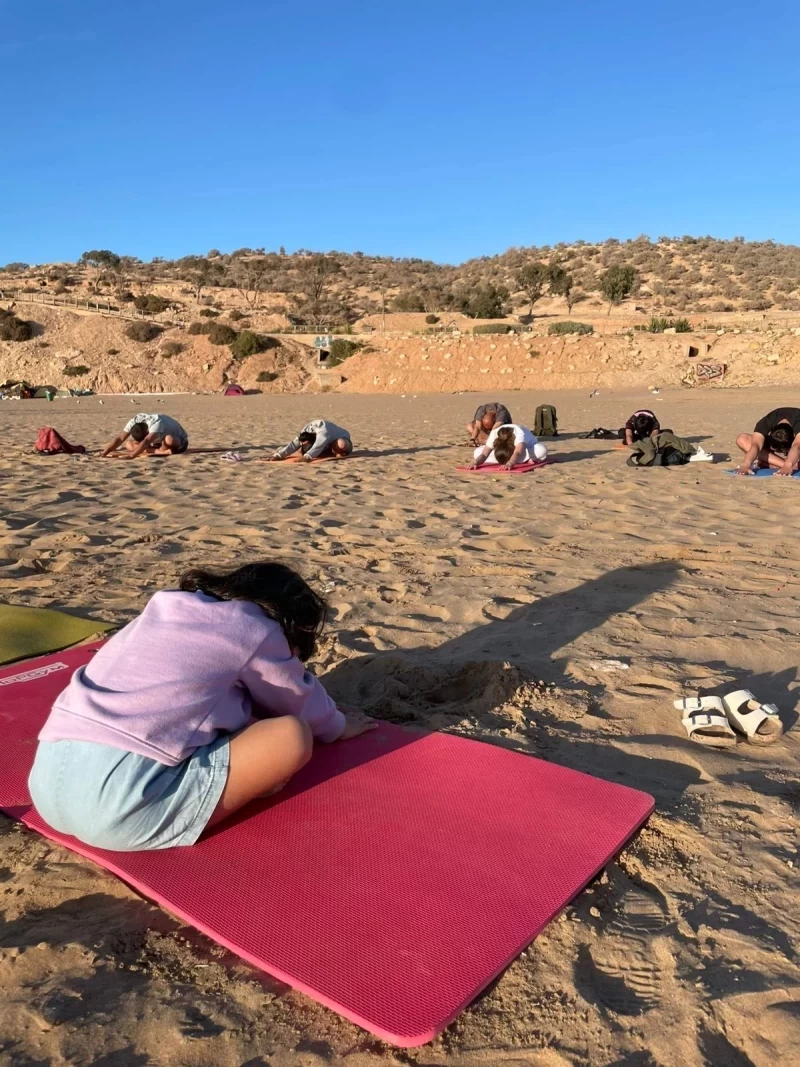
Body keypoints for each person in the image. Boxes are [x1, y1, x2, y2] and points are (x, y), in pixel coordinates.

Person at [28, 562, 374, 851]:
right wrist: (338, 726)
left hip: (46, 786)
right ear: (288, 625)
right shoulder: (259, 630)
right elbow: (296, 700)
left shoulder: (163, 609)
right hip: (119, 810)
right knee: (291, 735)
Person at [735, 407, 800, 476]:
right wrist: (746, 465)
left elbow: (797, 445)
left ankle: (773, 464)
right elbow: (756, 445)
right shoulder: (765, 423)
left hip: (797, 446)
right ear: (770, 433)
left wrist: (788, 465)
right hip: (780, 449)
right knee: (742, 439)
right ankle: (783, 464)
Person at [102, 413, 189, 458]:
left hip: (178, 441)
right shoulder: (134, 421)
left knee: (169, 439)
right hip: (157, 442)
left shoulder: (156, 423)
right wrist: (105, 452)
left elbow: (146, 441)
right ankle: (160, 451)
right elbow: (120, 438)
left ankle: (162, 450)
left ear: (147, 431)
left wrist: (131, 455)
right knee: (128, 444)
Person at [470, 423, 547, 471]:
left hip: (524, 451)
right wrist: (475, 463)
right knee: (477, 452)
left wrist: (510, 463)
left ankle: (516, 460)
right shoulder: (494, 434)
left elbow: (517, 452)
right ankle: (521, 460)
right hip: (508, 453)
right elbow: (484, 454)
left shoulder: (519, 434)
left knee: (541, 450)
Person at [268, 419, 352, 462]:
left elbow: (318, 446)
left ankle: (338, 452)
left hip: (341, 439)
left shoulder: (322, 432)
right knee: (307, 449)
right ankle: (326, 451)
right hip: (325, 443)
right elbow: (294, 444)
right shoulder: (306, 431)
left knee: (341, 444)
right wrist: (278, 455)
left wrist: (307, 457)